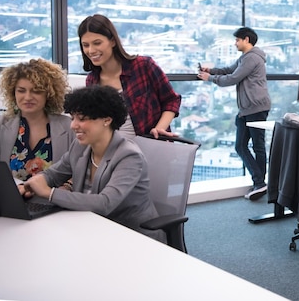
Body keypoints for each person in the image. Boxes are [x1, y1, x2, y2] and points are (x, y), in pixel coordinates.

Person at [23, 85, 164, 241]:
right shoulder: (80, 146)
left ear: (107, 120)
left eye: (82, 119)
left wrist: (49, 193)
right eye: (73, 118)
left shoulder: (129, 156)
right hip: (91, 229)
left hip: (131, 237)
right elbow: (53, 174)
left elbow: (105, 203)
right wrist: (31, 184)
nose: (73, 125)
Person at [78, 14, 181, 139]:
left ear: (113, 41)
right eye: (86, 45)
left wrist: (159, 129)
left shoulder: (143, 66)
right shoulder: (92, 81)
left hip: (150, 147)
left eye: (97, 43)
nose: (91, 50)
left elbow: (171, 100)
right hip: (113, 153)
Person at [197, 27, 271, 201]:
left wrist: (210, 79)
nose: (235, 43)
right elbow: (229, 70)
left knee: (257, 145)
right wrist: (211, 70)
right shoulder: (245, 58)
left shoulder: (252, 58)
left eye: (237, 40)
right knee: (241, 146)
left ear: (246, 40)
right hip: (247, 108)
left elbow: (232, 79)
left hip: (256, 107)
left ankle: (260, 183)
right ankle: (260, 182)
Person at [0, 59, 74, 181]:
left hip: (53, 198)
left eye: (36, 91)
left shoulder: (69, 126)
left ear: (49, 94)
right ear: (13, 93)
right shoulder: (1, 124)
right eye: (21, 91)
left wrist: (66, 187)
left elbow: (80, 172)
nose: (28, 97)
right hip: (9, 198)